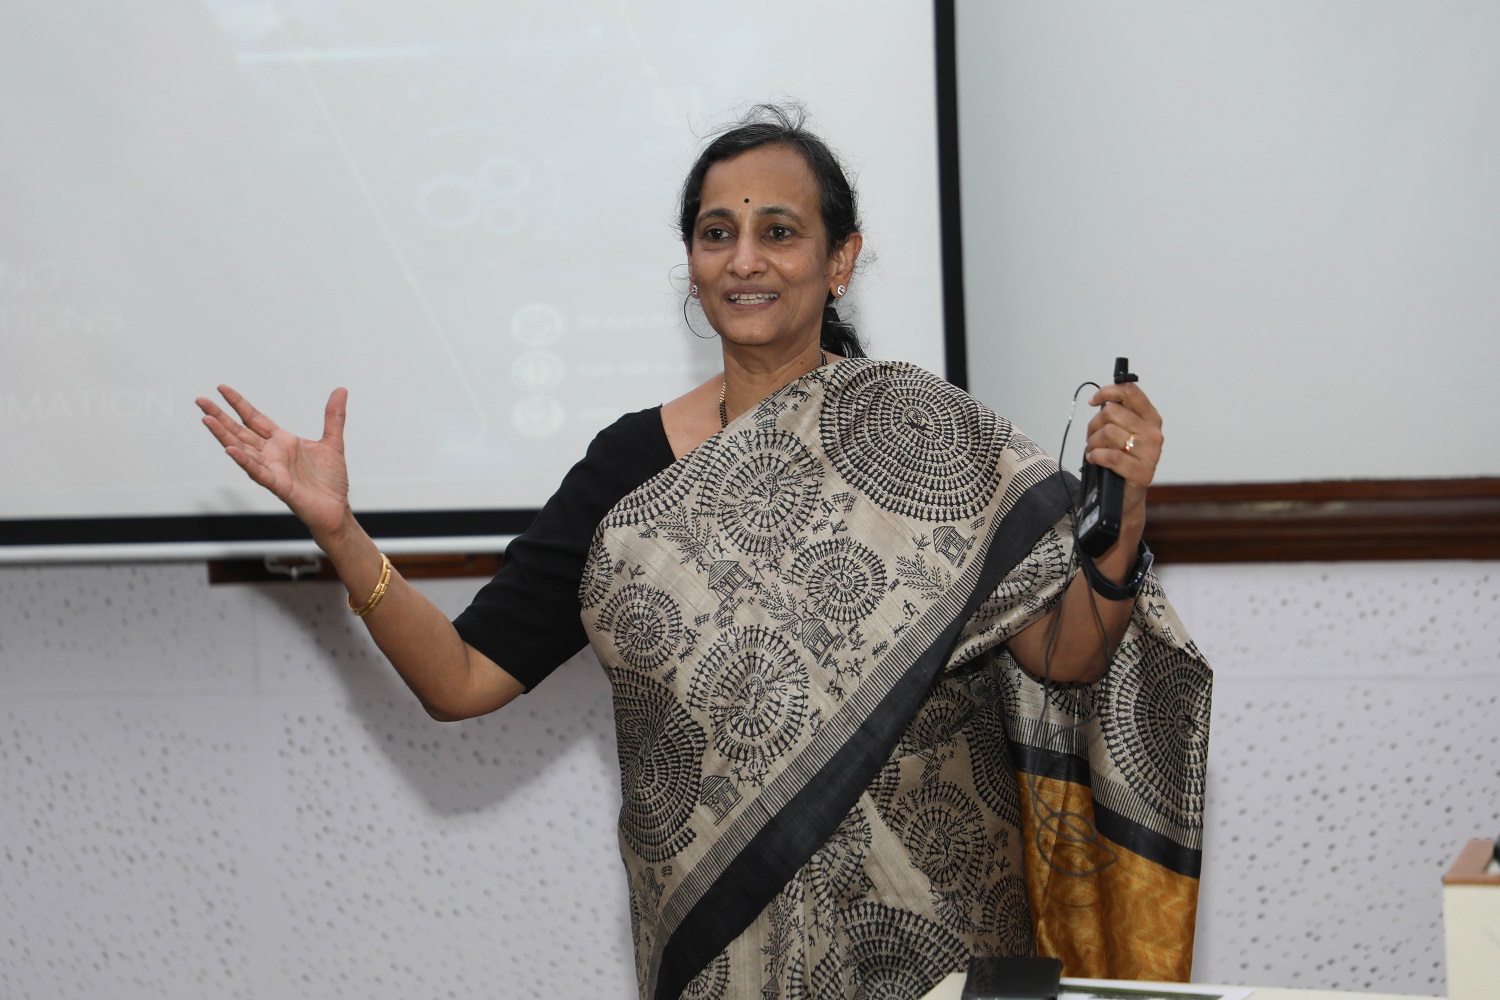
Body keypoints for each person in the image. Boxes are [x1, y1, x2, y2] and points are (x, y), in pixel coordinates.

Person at [198, 105, 1210, 1000]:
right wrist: (339, 530)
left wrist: (1120, 518)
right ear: (690, 258)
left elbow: (1069, 657)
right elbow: (461, 679)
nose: (745, 260)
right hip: (723, 946)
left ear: (840, 257)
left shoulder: (927, 437)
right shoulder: (628, 470)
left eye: (781, 231)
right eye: (717, 233)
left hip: (939, 937)